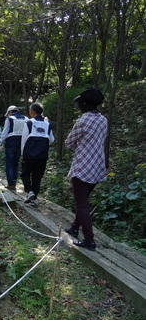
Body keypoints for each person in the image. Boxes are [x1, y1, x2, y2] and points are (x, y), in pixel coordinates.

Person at [65, 88, 107, 250]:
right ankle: (75, 228)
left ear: (84, 104)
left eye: (79, 103)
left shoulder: (82, 121)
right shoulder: (103, 120)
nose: (78, 106)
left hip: (82, 166)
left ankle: (89, 240)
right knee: (83, 200)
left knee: (81, 204)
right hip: (97, 166)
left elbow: (69, 143)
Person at [20, 103, 55, 205]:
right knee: (37, 177)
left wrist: (23, 154)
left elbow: (24, 140)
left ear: (33, 112)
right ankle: (34, 198)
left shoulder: (29, 123)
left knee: (25, 174)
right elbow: (51, 139)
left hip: (29, 154)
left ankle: (29, 191)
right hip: (43, 155)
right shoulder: (47, 124)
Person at [0, 105, 29, 191]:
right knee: (16, 163)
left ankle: (11, 184)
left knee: (9, 163)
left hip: (11, 142)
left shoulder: (9, 119)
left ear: (10, 112)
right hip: (21, 142)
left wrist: (0, 142)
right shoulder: (26, 119)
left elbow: (5, 131)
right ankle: (14, 182)